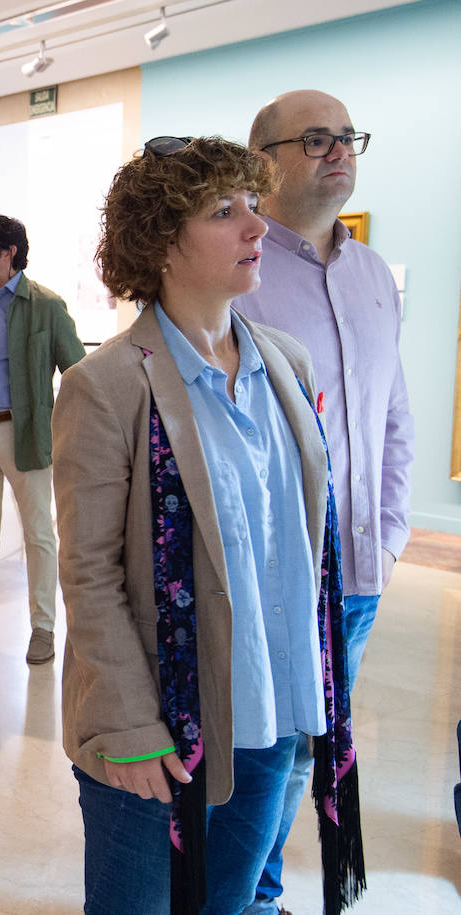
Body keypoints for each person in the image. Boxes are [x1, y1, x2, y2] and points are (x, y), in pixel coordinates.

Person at [54, 136, 364, 914]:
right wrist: (127, 724)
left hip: (275, 709)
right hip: (161, 729)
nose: (256, 227)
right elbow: (88, 572)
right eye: (224, 212)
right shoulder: (107, 386)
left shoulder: (286, 363)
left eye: (255, 205)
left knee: (228, 906)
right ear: (160, 242)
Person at [237, 89, 414, 915]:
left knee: (312, 749)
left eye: (347, 137)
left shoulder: (374, 273)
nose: (339, 150)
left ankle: (261, 892)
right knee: (260, 750)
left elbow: (395, 415)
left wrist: (393, 529)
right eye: (315, 139)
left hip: (358, 572)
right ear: (263, 161)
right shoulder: (235, 269)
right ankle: (250, 896)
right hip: (272, 571)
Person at [0, 214, 85, 664]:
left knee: (39, 533)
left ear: (9, 253)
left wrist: (66, 434)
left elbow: (79, 375)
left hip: (24, 433)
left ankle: (43, 626)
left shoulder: (46, 305)